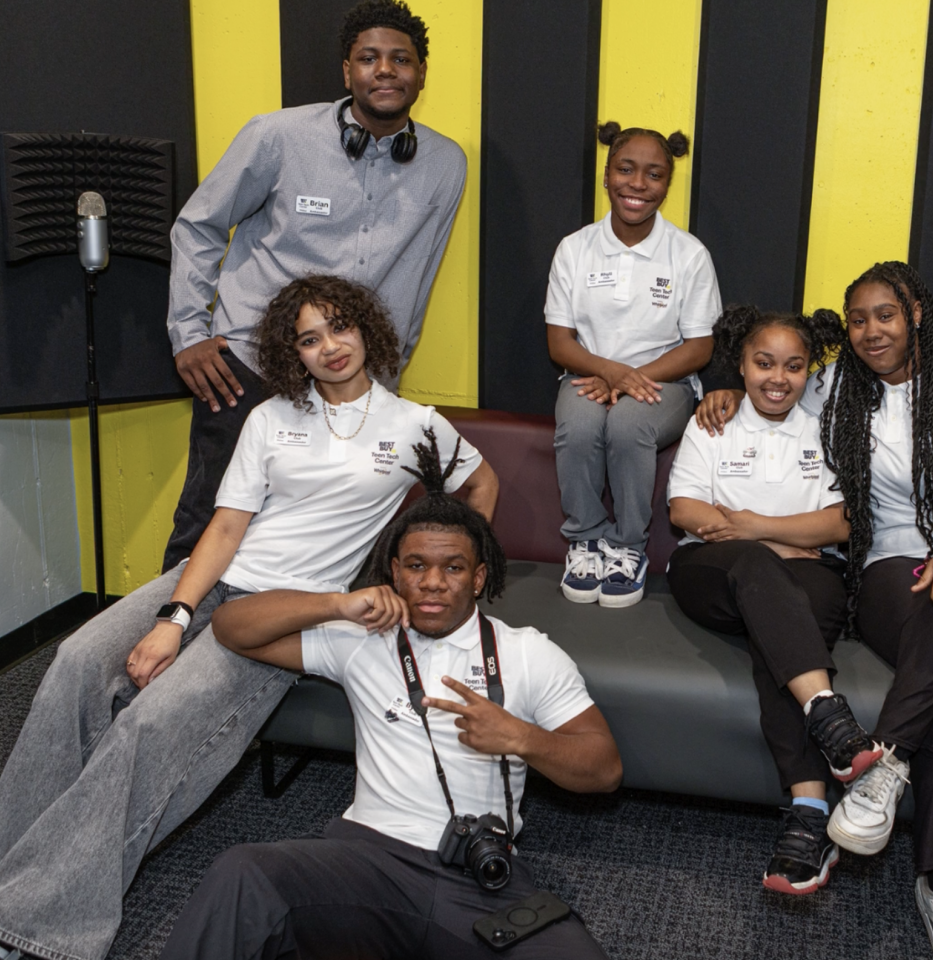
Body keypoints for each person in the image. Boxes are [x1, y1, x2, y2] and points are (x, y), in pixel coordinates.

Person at [0, 277, 498, 960]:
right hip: (208, 579)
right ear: (292, 353)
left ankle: (34, 921)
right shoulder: (272, 417)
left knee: (148, 727)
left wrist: (447, 574)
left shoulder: (415, 425)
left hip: (288, 611)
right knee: (75, 660)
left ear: (368, 331)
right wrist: (174, 615)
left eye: (340, 327)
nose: (330, 347)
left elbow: (480, 484)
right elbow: (228, 525)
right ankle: (10, 850)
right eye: (309, 338)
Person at [698, 262, 933, 960]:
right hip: (891, 569)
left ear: (917, 314)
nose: (869, 330)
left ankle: (886, 761)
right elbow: (776, 378)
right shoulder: (835, 393)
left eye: (884, 314)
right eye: (857, 320)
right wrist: (729, 390)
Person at [158, 455, 621, 960]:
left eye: (454, 567)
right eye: (417, 566)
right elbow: (230, 626)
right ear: (396, 573)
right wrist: (335, 604)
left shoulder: (528, 653)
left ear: (479, 577)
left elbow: (604, 769)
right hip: (365, 862)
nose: (433, 582)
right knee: (244, 874)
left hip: (479, 872)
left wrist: (521, 738)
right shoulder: (363, 639)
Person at [164, 0, 467, 571]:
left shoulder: (446, 163)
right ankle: (162, 640)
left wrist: (386, 375)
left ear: (421, 73)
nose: (385, 70)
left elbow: (419, 273)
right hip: (248, 365)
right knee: (208, 523)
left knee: (327, 534)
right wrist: (188, 333)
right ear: (346, 70)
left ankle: (296, 652)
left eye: (400, 59)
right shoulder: (278, 136)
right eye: (369, 58)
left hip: (354, 382)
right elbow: (199, 225)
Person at [667, 305, 884, 896]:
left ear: (809, 371)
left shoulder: (825, 427)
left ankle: (809, 813)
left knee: (784, 636)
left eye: (793, 366)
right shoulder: (714, 421)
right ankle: (832, 721)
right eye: (764, 363)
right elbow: (685, 510)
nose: (777, 378)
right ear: (741, 363)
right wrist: (776, 541)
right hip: (708, 570)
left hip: (803, 577)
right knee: (762, 573)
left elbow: (842, 523)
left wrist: (755, 525)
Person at [545, 121, 722, 608]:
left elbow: (699, 348)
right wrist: (610, 373)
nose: (638, 185)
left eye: (654, 174)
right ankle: (585, 539)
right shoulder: (574, 249)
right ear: (606, 175)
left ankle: (627, 549)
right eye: (626, 169)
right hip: (586, 375)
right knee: (579, 427)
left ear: (667, 184)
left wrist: (628, 381)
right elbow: (560, 343)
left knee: (627, 426)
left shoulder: (688, 254)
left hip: (665, 383)